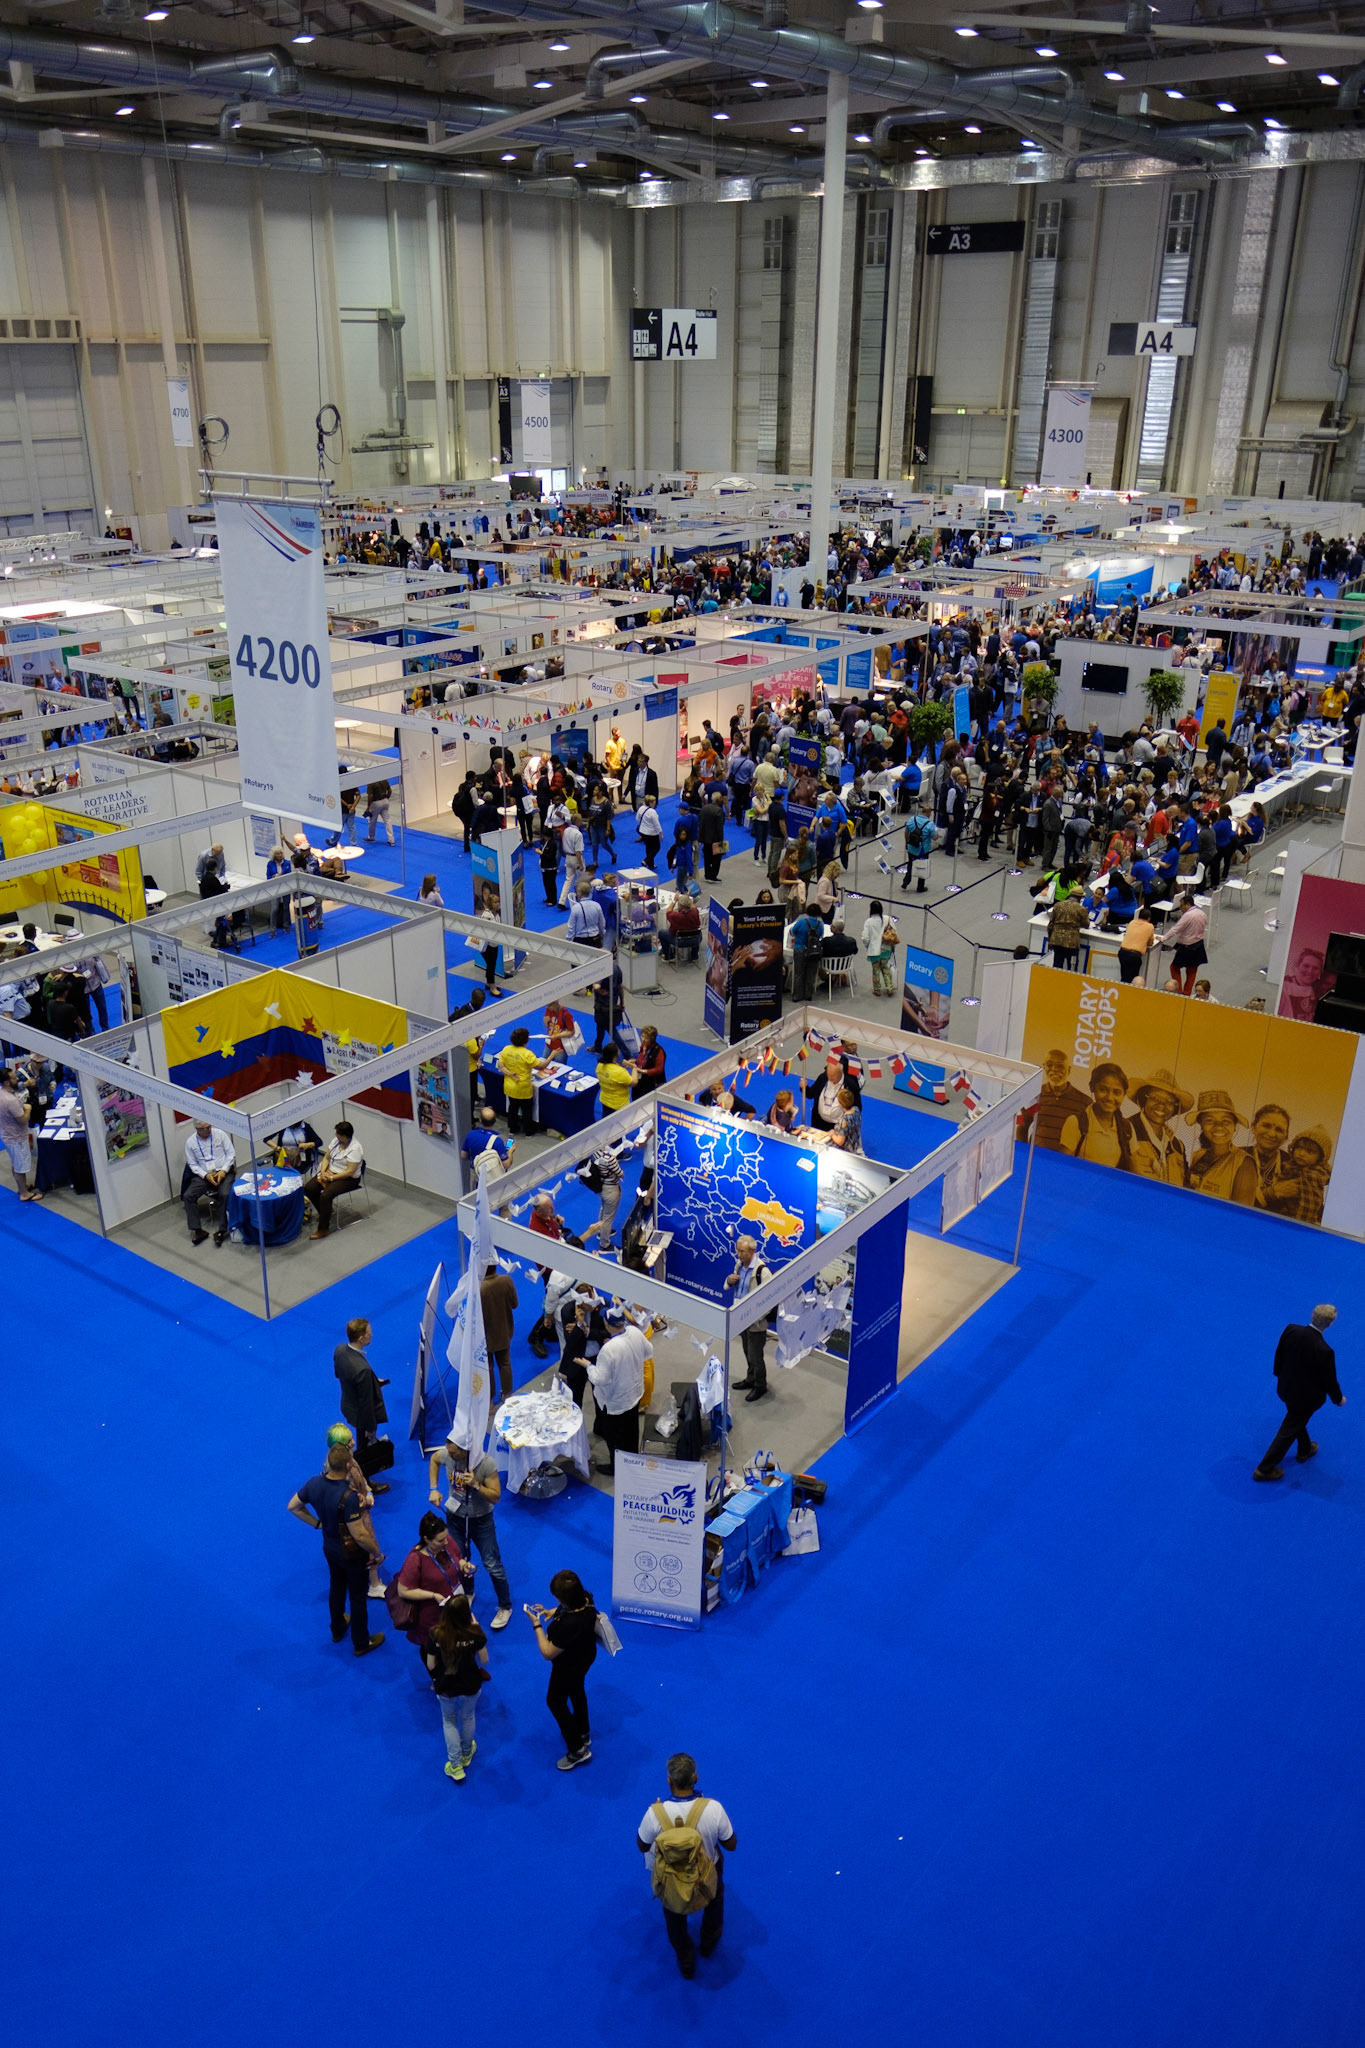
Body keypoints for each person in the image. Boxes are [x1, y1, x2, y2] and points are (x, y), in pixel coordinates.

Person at [637, 1753, 737, 1979]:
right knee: (714, 1900)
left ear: (669, 1781)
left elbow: (642, 1845)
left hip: (670, 1878)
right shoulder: (713, 1808)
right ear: (696, 1778)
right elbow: (731, 1845)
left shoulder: (654, 1813)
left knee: (673, 1915)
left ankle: (686, 1959)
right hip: (706, 1873)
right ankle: (709, 1944)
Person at [286, 1443, 385, 1656]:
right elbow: (359, 1535)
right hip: (352, 1554)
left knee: (337, 1586)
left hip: (330, 1547)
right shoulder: (348, 1497)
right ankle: (361, 1642)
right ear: (348, 1465)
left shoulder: (313, 1483)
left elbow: (293, 1506)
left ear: (329, 1462)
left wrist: (317, 1523)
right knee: (357, 1597)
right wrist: (376, 1552)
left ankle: (338, 1628)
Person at [428, 1434, 514, 1628]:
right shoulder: (448, 1454)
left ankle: (505, 1606)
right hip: (455, 1517)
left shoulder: (486, 1463)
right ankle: (467, 1593)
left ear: (465, 1450)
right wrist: (433, 1488)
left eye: (454, 1453)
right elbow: (434, 1459)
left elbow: (496, 1497)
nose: (450, 1455)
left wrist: (476, 1485)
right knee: (460, 1560)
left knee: (492, 1564)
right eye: (449, 1452)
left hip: (481, 1520)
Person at [1254, 1304, 1346, 1482]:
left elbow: (1279, 1354)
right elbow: (1330, 1381)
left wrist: (1278, 1374)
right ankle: (1264, 1469)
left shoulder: (1291, 1330)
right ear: (1330, 1324)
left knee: (1296, 1419)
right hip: (1305, 1399)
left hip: (1285, 1388)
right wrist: (1338, 1399)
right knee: (1288, 1430)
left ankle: (1305, 1449)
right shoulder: (1325, 1350)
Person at [525, 1567, 598, 1769]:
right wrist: (552, 1612)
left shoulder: (569, 1625)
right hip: (586, 1656)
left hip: (568, 1665)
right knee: (576, 1689)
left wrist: (536, 1625)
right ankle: (583, 1731)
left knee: (555, 1701)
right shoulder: (587, 1599)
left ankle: (578, 1750)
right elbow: (569, 1609)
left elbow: (547, 1652)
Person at [425, 1591, 489, 1784]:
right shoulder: (475, 1633)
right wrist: (476, 1629)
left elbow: (430, 1665)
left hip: (446, 1685)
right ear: (467, 1614)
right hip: (471, 1683)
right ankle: (467, 1753)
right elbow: (484, 1661)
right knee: (468, 1717)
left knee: (449, 1721)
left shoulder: (436, 1634)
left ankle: (455, 1765)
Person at [395, 1511, 473, 1663]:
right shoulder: (415, 1559)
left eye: (446, 1537)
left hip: (455, 1606)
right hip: (433, 1615)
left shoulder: (447, 1541)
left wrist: (464, 1566)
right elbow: (403, 1591)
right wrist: (433, 1595)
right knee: (435, 1652)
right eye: (440, 1540)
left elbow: (457, 1557)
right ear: (426, 1539)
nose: (446, 1542)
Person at [587, 1303, 649, 1472]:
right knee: (631, 1431)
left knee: (614, 1437)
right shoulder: (635, 1332)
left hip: (616, 1401)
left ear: (607, 1325)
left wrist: (588, 1366)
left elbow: (600, 1378)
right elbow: (648, 1351)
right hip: (635, 1394)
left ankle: (617, 1468)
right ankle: (633, 1461)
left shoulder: (608, 1349)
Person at [332, 1315, 391, 1486]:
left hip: (348, 1404)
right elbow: (366, 1405)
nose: (371, 1335)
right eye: (368, 1333)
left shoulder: (340, 1350)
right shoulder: (362, 1370)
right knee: (364, 1449)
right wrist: (371, 1428)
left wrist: (370, 1382)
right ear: (360, 1338)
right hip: (362, 1415)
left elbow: (339, 1374)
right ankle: (365, 1482)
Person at [1186, 1089, 1259, 1204]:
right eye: (1210, 1121)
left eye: (1226, 1121)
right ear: (1201, 1125)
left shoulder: (1244, 1163)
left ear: (1234, 1126)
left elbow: (1239, 1212)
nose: (1219, 1127)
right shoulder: (1197, 1156)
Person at [726, 1235, 772, 1403]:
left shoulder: (762, 1272)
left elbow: (770, 1300)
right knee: (747, 1350)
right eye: (738, 1251)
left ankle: (760, 1385)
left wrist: (755, 1317)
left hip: (756, 1323)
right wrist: (729, 1280)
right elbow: (733, 1287)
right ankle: (750, 1378)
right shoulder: (739, 1266)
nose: (739, 1254)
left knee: (755, 1356)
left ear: (753, 1251)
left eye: (742, 1251)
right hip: (741, 1319)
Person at [303, 1119, 365, 1239]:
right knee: (309, 1188)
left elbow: (350, 1171)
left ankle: (323, 1229)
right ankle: (326, 1211)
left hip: (348, 1179)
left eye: (338, 1134)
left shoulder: (355, 1148)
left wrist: (331, 1177)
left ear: (345, 1136)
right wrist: (323, 1172)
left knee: (325, 1195)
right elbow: (326, 1158)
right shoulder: (336, 1141)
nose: (336, 1135)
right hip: (330, 1172)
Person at [183, 1118, 235, 1246]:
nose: (209, 1130)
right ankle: (198, 1230)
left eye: (209, 1126)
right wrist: (205, 1175)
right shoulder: (190, 1142)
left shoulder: (220, 1134)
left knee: (225, 1194)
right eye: (205, 1128)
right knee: (188, 1196)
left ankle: (222, 1230)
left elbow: (231, 1154)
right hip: (204, 1175)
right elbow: (192, 1164)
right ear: (198, 1129)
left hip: (223, 1172)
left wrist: (223, 1171)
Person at [498, 1025, 550, 1136]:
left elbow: (501, 1066)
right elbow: (541, 1066)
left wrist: (511, 1074)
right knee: (526, 1109)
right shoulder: (527, 1054)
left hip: (509, 1086)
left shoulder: (506, 1049)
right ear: (526, 1040)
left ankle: (512, 1129)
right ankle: (528, 1131)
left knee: (513, 1107)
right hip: (523, 1087)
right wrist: (552, 1056)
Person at [480, 1257, 519, 1402]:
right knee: (505, 1363)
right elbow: (515, 1304)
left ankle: (489, 1400)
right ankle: (507, 1395)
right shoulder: (506, 1281)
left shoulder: (479, 1288)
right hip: (504, 1331)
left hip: (485, 1336)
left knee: (487, 1367)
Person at [0, 1066, 40, 1202]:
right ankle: (24, 1193)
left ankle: (22, 1187)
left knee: (16, 1164)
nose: (17, 1079)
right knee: (20, 1167)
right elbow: (23, 1120)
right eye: (14, 1078)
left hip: (8, 1135)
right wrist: (28, 1109)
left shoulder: (1, 1093)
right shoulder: (10, 1100)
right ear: (7, 1082)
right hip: (16, 1137)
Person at [1162, 895, 1209, 996]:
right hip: (1199, 946)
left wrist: (1163, 938)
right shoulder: (1202, 913)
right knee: (1192, 971)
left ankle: (1178, 991)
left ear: (1188, 905)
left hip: (1187, 947)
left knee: (1174, 968)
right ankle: (1187, 993)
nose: (1180, 908)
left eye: (1181, 905)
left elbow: (1175, 929)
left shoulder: (1188, 916)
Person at [463, 1104, 511, 1193]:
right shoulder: (498, 1141)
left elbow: (463, 1155)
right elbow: (506, 1164)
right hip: (493, 1174)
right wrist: (511, 1151)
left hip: (475, 1173)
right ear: (495, 1121)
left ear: (480, 1120)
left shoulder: (471, 1134)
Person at [860, 898, 897, 996]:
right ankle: (889, 987)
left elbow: (865, 938)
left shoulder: (868, 922)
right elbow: (894, 933)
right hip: (886, 949)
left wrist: (868, 946)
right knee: (885, 969)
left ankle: (877, 989)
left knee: (875, 971)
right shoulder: (888, 919)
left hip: (874, 951)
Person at [1117, 905, 1156, 985]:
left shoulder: (1132, 922)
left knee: (1124, 977)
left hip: (1122, 953)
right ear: (1149, 918)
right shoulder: (1150, 926)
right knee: (1131, 981)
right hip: (1134, 956)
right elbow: (1150, 942)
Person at [632, 1024, 666, 1098]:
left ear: (651, 1039)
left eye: (646, 1038)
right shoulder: (643, 1045)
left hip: (652, 1083)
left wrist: (643, 1071)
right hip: (640, 1079)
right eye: (642, 1036)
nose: (643, 1039)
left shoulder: (659, 1051)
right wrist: (634, 1061)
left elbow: (659, 1069)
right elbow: (642, 1059)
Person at [830, 1086, 862, 1154]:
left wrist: (832, 1134)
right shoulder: (856, 1109)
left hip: (846, 1151)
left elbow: (840, 1142)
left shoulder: (844, 1120)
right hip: (855, 1146)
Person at [365, 777, 394, 844]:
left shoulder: (371, 783)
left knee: (372, 821)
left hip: (376, 802)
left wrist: (368, 807)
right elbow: (390, 790)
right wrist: (386, 798)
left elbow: (370, 796)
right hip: (385, 801)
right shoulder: (384, 779)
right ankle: (391, 840)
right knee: (387, 821)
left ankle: (371, 837)